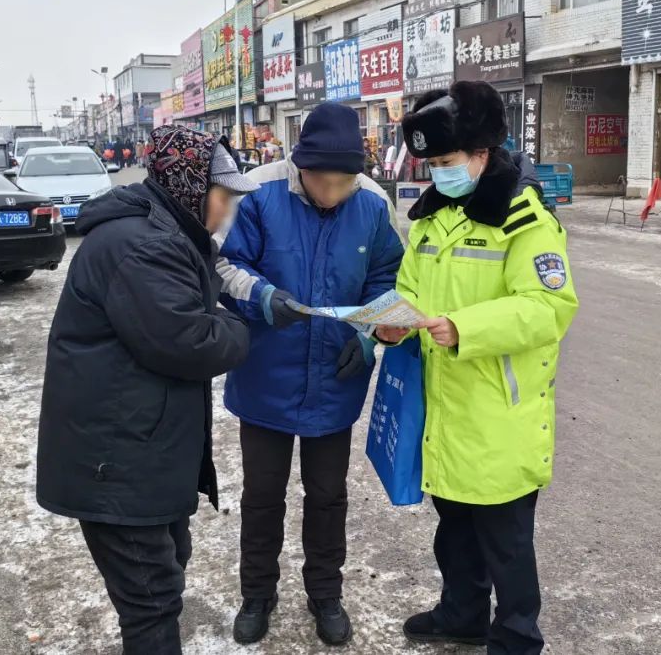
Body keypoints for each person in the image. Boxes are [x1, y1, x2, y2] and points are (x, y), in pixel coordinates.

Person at [36, 125, 258, 655]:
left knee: (165, 570)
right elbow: (191, 342)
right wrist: (237, 325)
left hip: (137, 449)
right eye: (223, 196)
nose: (227, 210)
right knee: (151, 600)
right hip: (118, 462)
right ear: (190, 188)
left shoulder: (161, 232)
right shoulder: (145, 246)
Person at [378, 81, 578, 655]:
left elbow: (548, 307)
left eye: (448, 161)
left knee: (506, 543)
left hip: (498, 409)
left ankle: (516, 638)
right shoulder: (430, 219)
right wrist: (392, 321)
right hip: (445, 404)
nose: (440, 173)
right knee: (456, 530)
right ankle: (462, 615)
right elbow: (410, 288)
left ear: (482, 153)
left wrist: (465, 327)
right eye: (433, 164)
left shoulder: (524, 218)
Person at [216, 102, 404, 647]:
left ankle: (325, 593)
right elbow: (223, 264)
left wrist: (368, 336)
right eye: (323, 181)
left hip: (334, 379)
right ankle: (257, 594)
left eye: (344, 182)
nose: (333, 193)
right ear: (301, 166)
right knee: (262, 494)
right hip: (265, 377)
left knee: (327, 495)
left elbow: (387, 277)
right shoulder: (258, 192)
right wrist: (262, 296)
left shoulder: (372, 202)